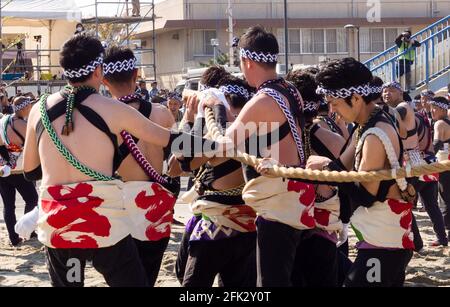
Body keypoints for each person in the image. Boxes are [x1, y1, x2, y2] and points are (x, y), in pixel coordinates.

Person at [22, 34, 218, 287]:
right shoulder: (113, 109)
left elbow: (30, 170)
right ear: (98, 70)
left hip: (61, 227)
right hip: (104, 227)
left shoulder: (38, 110)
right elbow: (170, 140)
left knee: (72, 279)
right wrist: (220, 145)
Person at [201, 26, 315, 287]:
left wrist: (216, 106)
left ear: (246, 61)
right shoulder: (290, 90)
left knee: (271, 282)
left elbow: (223, 145)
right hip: (295, 194)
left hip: (278, 201)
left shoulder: (261, 101)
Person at [310, 57, 414, 287]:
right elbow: (342, 167)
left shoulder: (375, 135)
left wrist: (326, 168)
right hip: (385, 240)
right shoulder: (369, 122)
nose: (332, 110)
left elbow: (366, 195)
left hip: (384, 244)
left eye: (335, 103)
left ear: (355, 98)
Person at [170, 76, 257, 287]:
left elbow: (176, 167)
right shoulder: (257, 128)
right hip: (249, 226)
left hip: (215, 224)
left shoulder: (219, 132)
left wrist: (191, 119)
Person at [102, 45, 178, 286]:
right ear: (136, 75)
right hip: (156, 204)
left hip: (120, 205)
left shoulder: (102, 118)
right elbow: (177, 163)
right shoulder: (162, 113)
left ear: (104, 81)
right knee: (149, 275)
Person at [0, 95, 38, 246]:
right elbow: (34, 145)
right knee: (32, 199)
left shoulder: (3, 121)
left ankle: (13, 238)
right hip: (18, 171)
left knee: (8, 205)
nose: (30, 109)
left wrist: (7, 160)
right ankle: (26, 230)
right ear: (24, 108)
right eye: (29, 107)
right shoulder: (21, 124)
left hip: (3, 170)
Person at [431, 96, 450, 243]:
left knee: (444, 198)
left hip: (444, 165)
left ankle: (446, 233)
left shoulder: (439, 124)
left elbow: (436, 143)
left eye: (434, 108)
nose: (432, 111)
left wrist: (427, 158)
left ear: (442, 109)